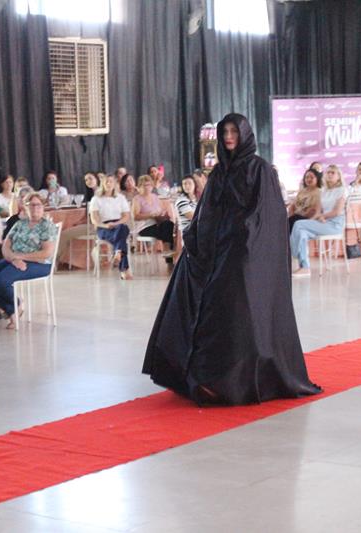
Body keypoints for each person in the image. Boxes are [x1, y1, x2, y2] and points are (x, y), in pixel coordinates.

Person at [142, 113, 321, 405]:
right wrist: (196, 240)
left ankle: (230, 380)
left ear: (244, 134)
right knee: (194, 298)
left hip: (242, 255)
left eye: (233, 131)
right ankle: (199, 375)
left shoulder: (260, 170)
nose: (228, 137)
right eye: (224, 131)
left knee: (233, 313)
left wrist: (239, 245)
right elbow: (207, 212)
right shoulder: (220, 173)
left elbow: (265, 217)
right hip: (215, 252)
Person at [0, 192, 57, 329]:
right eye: (31, 205)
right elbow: (6, 245)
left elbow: (46, 253)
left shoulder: (46, 226)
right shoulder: (20, 224)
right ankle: (14, 306)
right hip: (14, 259)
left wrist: (20, 257)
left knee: (1, 282)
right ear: (25, 207)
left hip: (39, 263)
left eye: (38, 205)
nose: (34, 208)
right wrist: (13, 258)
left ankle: (11, 309)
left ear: (43, 207)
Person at [290, 164, 347, 277]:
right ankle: (305, 267)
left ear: (339, 177)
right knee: (302, 232)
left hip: (334, 224)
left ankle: (293, 253)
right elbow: (318, 212)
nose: (329, 174)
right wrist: (311, 221)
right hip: (323, 223)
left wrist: (323, 216)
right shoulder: (323, 191)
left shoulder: (342, 190)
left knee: (298, 224)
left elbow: (337, 211)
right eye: (328, 172)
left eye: (333, 173)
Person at [89, 174, 133, 279]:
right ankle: (123, 265)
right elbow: (94, 220)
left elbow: (126, 216)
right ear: (102, 184)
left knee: (122, 228)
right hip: (103, 227)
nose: (108, 184)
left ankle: (118, 254)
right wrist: (105, 225)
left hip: (118, 224)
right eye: (106, 182)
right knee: (121, 237)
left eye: (111, 182)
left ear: (115, 184)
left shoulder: (121, 198)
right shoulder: (96, 199)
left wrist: (116, 223)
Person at [132, 174, 175, 254]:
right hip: (145, 227)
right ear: (140, 187)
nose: (147, 187)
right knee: (167, 231)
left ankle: (167, 251)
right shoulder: (137, 199)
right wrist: (150, 215)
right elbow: (135, 216)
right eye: (144, 185)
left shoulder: (155, 197)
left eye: (149, 185)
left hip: (157, 223)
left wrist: (161, 213)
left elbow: (161, 210)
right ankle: (167, 251)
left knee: (169, 224)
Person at [287, 169, 322, 233]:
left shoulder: (319, 192)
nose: (309, 179)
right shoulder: (302, 191)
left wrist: (302, 216)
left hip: (309, 219)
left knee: (293, 221)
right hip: (296, 217)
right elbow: (292, 206)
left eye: (312, 177)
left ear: (317, 178)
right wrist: (292, 214)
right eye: (307, 177)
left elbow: (315, 211)